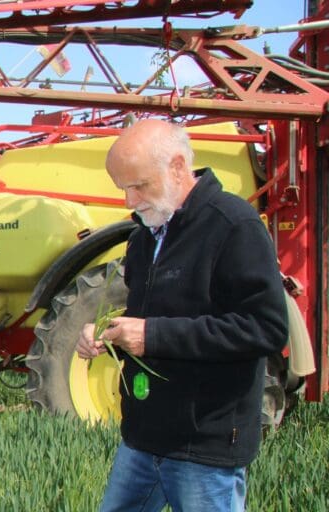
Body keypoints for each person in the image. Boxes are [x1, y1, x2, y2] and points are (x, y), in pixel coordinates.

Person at [76, 119, 288, 511]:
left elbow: (266, 329)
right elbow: (151, 323)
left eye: (138, 186)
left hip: (204, 444)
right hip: (142, 438)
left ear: (177, 167)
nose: (129, 201)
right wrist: (109, 336)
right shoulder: (143, 237)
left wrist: (152, 336)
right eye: (123, 188)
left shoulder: (233, 225)